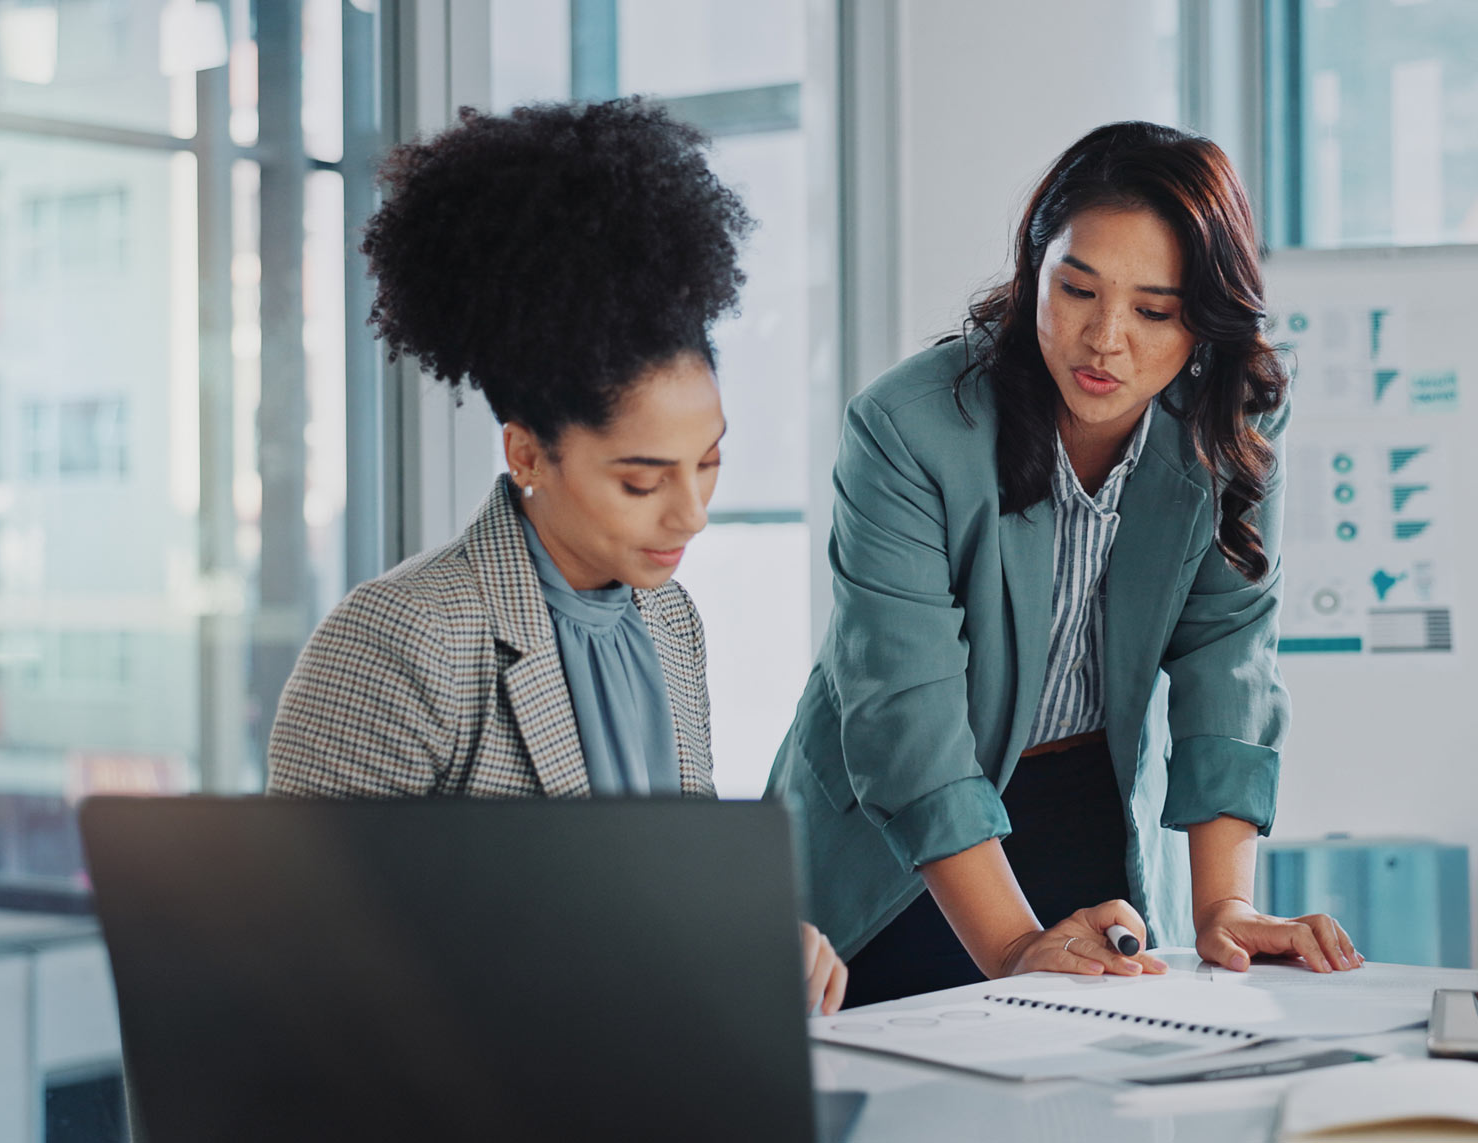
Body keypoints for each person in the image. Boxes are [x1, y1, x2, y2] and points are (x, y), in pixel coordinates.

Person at [265, 98, 846, 1014]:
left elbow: (666, 897)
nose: (690, 513)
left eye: (709, 463)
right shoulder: (398, 642)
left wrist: (748, 936)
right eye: (641, 480)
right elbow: (289, 963)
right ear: (528, 452)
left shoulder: (667, 619)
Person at [768, 121, 1361, 1007]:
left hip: (1090, 804)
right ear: (1032, 270)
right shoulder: (906, 428)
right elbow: (904, 712)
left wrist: (1223, 903)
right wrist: (1011, 947)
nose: (1104, 340)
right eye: (1077, 289)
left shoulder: (1228, 419)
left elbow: (1227, 652)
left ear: (1204, 319)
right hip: (898, 840)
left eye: (1154, 311)